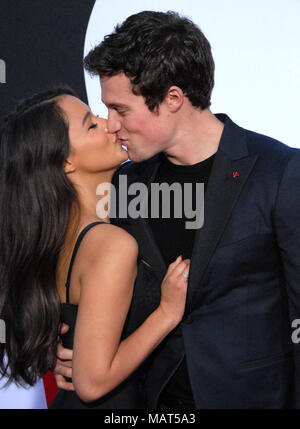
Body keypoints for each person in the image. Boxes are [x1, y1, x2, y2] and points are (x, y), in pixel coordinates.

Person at [54, 10, 300, 409]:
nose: (111, 124)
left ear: (172, 99)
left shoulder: (280, 171)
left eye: (122, 109)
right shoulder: (125, 182)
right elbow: (93, 287)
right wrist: (65, 346)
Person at [0, 87, 190, 409]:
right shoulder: (110, 244)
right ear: (66, 163)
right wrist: (167, 313)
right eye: (91, 125)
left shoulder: (53, 237)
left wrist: (52, 352)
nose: (109, 124)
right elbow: (92, 383)